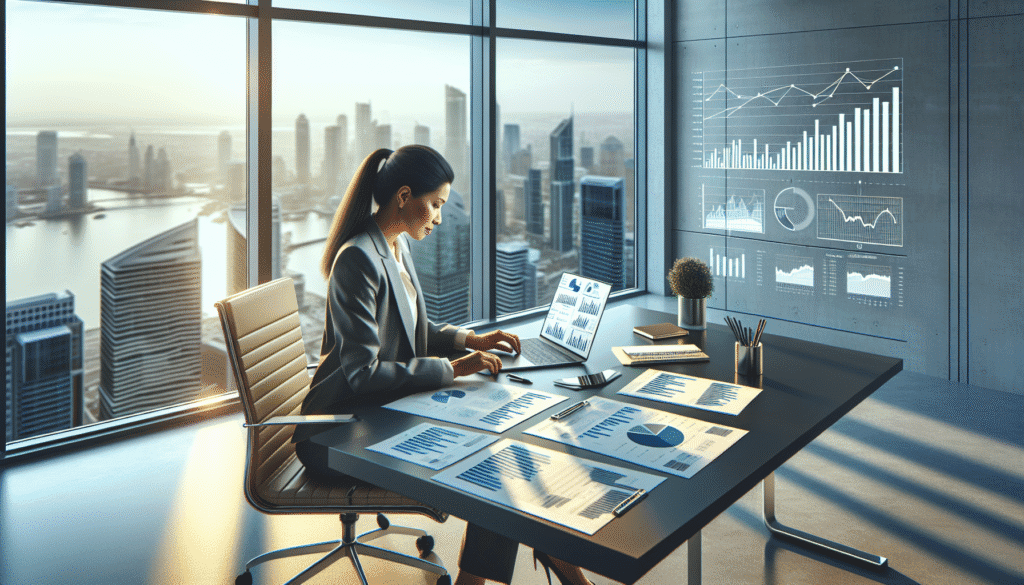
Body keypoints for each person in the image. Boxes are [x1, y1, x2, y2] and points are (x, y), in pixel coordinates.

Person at [294, 145, 592, 585]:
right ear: (403, 196)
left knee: (501, 448)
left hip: (379, 411)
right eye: (434, 205)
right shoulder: (357, 258)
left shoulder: (394, 247)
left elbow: (414, 333)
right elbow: (363, 374)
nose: (437, 217)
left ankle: (552, 569)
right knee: (492, 464)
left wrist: (470, 339)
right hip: (336, 429)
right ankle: (556, 571)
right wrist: (454, 368)